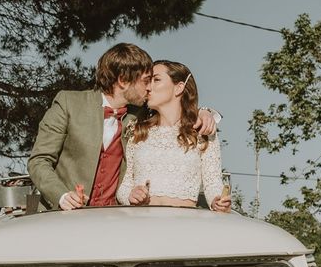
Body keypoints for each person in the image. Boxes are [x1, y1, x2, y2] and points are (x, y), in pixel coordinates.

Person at [27, 43, 219, 210]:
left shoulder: (139, 115)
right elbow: (39, 161)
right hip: (64, 217)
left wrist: (205, 111)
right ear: (123, 81)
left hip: (116, 222)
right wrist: (62, 196)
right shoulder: (69, 103)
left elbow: (175, 110)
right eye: (145, 81)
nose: (149, 88)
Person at [116, 60, 231, 212]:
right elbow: (124, 186)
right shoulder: (137, 131)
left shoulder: (201, 132)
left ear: (179, 88)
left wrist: (217, 201)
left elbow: (213, 182)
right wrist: (130, 195)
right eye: (148, 81)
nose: (148, 87)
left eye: (156, 80)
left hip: (183, 225)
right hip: (141, 224)